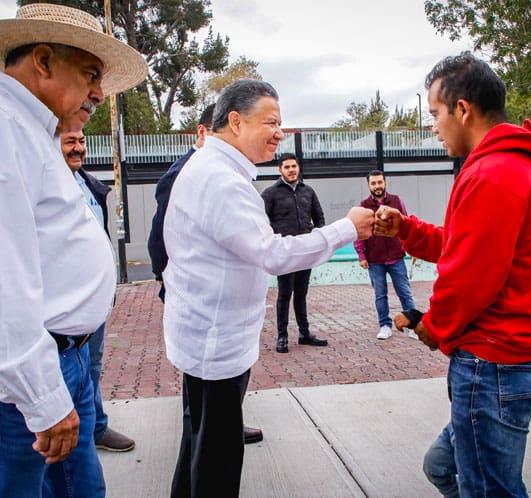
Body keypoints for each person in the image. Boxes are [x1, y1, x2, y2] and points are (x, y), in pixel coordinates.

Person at [0, 4, 147, 495]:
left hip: (59, 359)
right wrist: (41, 398)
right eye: (89, 74)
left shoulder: (24, 128)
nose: (98, 93)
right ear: (42, 61)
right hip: (22, 371)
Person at [163, 79, 374, 497]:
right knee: (217, 461)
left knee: (197, 447)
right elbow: (274, 255)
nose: (281, 132)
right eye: (272, 122)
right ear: (236, 122)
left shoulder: (211, 167)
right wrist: (346, 229)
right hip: (216, 345)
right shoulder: (222, 180)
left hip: (204, 337)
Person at [375, 53, 531, 497]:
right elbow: (468, 247)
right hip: (507, 359)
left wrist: (435, 327)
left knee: (486, 491)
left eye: (434, 114)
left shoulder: (493, 172)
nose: (433, 127)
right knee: (443, 468)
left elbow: (470, 277)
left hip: (494, 363)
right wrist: (407, 230)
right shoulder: (515, 166)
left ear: (462, 110)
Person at [147, 103, 265, 446]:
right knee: (203, 391)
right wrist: (167, 277)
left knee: (215, 395)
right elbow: (162, 231)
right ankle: (206, 431)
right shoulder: (190, 172)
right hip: (197, 294)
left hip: (213, 297)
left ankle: (219, 424)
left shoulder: (219, 170)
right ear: (206, 132)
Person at [59, 123, 136, 452]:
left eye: (81, 141)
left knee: (92, 364)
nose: (78, 147)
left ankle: (94, 427)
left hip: (95, 300)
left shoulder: (90, 184)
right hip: (64, 303)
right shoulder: (46, 185)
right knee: (67, 367)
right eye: (69, 142)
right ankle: (69, 430)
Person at [261, 153, 328, 353]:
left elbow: (320, 218)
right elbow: (262, 221)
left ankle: (304, 333)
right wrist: (274, 242)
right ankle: (282, 337)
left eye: (294, 166)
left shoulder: (308, 191)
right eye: (287, 167)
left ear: (298, 168)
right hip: (285, 253)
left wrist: (315, 237)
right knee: (284, 295)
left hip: (305, 252)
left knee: (301, 294)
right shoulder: (270, 193)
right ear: (280, 170)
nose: (291, 170)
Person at [354, 170, 418, 341]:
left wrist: (411, 248)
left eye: (379, 182)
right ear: (368, 185)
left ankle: (413, 326)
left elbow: (407, 225)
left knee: (405, 293)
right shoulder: (363, 206)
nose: (377, 186)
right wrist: (361, 255)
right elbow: (359, 233)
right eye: (373, 183)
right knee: (380, 295)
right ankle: (385, 326)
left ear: (385, 183)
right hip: (375, 260)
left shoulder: (396, 201)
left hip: (397, 258)